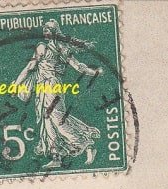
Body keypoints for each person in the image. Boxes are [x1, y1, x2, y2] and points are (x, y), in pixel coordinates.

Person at [12, 20, 103, 168]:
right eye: (44, 29)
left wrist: (16, 84)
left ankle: (85, 144)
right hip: (46, 86)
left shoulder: (48, 47)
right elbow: (78, 67)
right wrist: (94, 72)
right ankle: (56, 157)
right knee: (47, 119)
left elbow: (30, 67)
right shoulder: (58, 47)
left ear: (54, 32)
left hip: (50, 86)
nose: (45, 32)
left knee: (56, 118)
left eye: (47, 29)